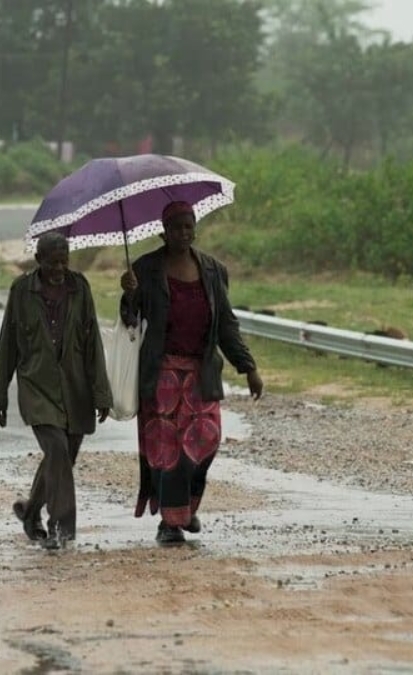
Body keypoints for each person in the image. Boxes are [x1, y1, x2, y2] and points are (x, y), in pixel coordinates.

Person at [120, 201, 263, 545]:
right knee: (169, 450)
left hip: (201, 372)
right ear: (163, 232)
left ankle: (185, 507)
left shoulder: (213, 270)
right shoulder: (146, 269)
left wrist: (248, 367)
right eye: (176, 228)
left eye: (188, 227)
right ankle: (170, 523)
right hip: (162, 373)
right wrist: (129, 294)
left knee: (206, 441)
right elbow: (129, 321)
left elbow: (226, 324)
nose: (183, 234)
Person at [0, 232, 113, 550]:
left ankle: (31, 513)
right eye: (53, 261)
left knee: (64, 455)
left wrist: (101, 393)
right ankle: (62, 527)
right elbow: (8, 343)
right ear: (38, 261)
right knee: (56, 449)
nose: (60, 267)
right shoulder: (22, 291)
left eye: (64, 260)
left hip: (76, 388)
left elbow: (93, 343)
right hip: (36, 386)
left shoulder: (79, 287)